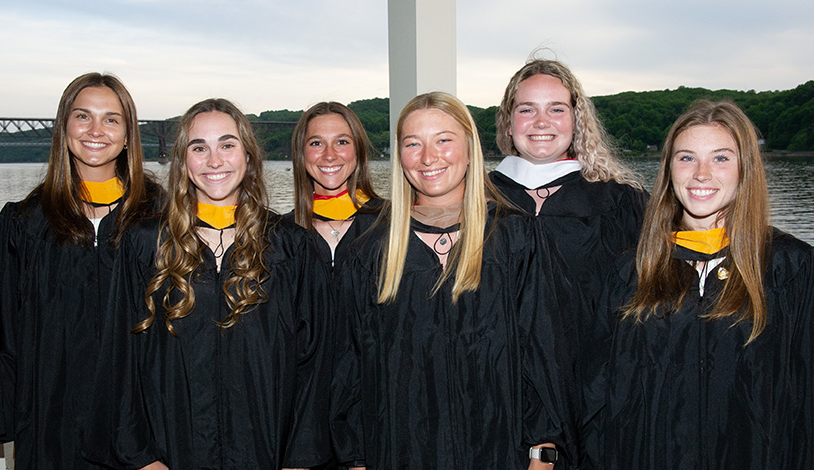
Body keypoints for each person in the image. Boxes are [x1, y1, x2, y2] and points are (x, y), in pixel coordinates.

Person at [331, 92, 579, 469]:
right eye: (413, 144)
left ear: (469, 148)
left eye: (444, 140)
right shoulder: (369, 248)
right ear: (400, 156)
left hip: (500, 454)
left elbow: (544, 355)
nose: (428, 158)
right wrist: (355, 458)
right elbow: (347, 366)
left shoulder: (516, 238)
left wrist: (542, 452)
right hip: (398, 453)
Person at [88, 99, 332, 469]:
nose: (214, 161)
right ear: (183, 161)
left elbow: (315, 363)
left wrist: (299, 460)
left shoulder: (291, 246)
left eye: (227, 145)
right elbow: (120, 359)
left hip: (268, 455)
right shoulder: (144, 244)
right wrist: (141, 458)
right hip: (171, 456)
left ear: (248, 156)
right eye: (199, 147)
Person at [596, 100, 814, 468]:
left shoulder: (789, 268)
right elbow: (605, 397)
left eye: (720, 158)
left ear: (746, 168)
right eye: (686, 158)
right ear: (668, 169)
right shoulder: (632, 271)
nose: (701, 174)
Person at [0, 72, 160, 469]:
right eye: (83, 116)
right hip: (51, 420)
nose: (96, 130)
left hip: (143, 427)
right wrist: (2, 414)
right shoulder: (25, 221)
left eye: (112, 119)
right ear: (64, 128)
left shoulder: (160, 216)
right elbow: (2, 326)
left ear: (129, 135)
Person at [490, 57, 647, 296]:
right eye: (527, 110)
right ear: (509, 123)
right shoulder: (478, 198)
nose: (541, 122)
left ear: (576, 121)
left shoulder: (621, 202)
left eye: (556, 109)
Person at [287, 102, 383, 267]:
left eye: (342, 142)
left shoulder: (391, 220)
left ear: (358, 150)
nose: (329, 155)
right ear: (301, 154)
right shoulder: (282, 233)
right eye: (316, 143)